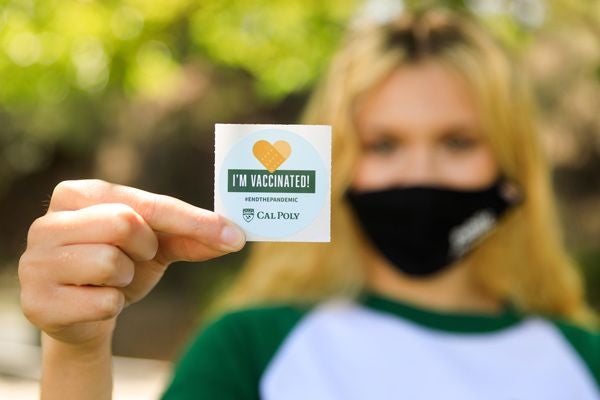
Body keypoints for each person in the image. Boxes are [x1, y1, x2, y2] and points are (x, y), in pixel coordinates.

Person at [18, 8, 599, 400]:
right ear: (337, 165)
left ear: (512, 166)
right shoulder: (248, 348)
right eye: (384, 144)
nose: (419, 172)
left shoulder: (585, 362)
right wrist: (76, 352)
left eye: (458, 141)